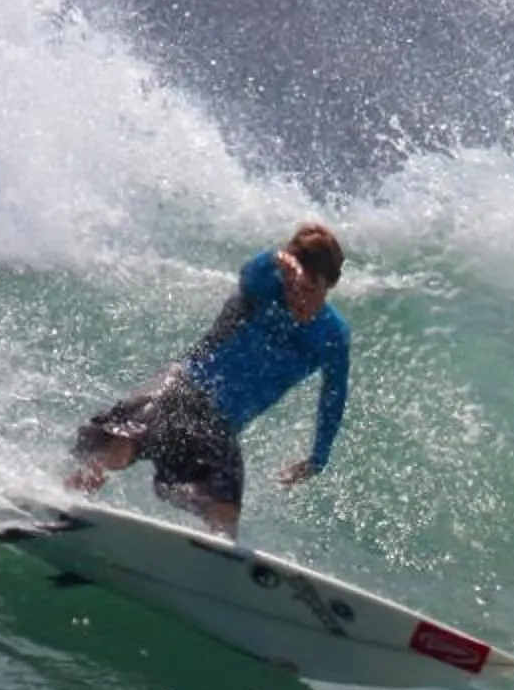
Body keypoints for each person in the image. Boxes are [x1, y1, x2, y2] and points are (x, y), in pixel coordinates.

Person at [68, 221, 351, 538]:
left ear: (329, 286)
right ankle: (66, 498)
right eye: (293, 287)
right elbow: (249, 274)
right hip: (182, 387)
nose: (299, 298)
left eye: (310, 290)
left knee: (226, 513)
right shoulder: (265, 289)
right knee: (120, 447)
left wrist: (318, 457)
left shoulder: (333, 335)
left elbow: (334, 394)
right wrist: (277, 259)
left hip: (218, 424)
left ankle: (190, 513)